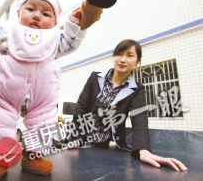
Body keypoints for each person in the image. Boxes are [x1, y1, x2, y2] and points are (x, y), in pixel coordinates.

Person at [0, 0, 102, 179]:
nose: (36, 16)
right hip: (5, 93)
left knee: (43, 123)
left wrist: (75, 24)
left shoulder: (55, 39)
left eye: (45, 13)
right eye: (30, 9)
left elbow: (70, 42)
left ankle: (34, 156)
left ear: (55, 22)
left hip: (42, 97)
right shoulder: (8, 32)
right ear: (18, 13)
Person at [70, 39, 188, 171]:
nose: (123, 59)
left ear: (137, 62)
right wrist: (75, 137)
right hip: (80, 141)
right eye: (119, 54)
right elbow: (81, 106)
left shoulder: (137, 89)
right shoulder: (95, 78)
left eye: (130, 55)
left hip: (102, 146)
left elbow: (140, 119)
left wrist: (143, 150)